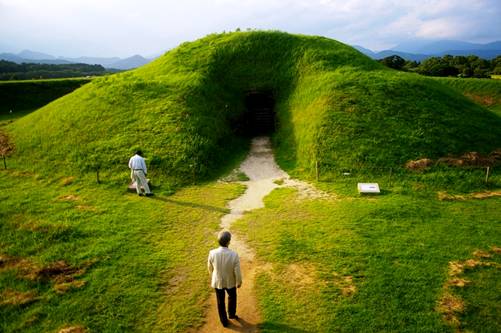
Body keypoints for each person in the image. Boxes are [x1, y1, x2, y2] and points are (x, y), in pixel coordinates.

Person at [208, 231, 242, 327]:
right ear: (228, 242)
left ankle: (224, 321)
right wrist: (238, 282)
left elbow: (210, 268)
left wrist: (213, 277)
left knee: (220, 301)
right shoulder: (234, 255)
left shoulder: (212, 253)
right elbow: (237, 271)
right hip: (230, 282)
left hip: (217, 281)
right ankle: (231, 314)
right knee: (232, 297)